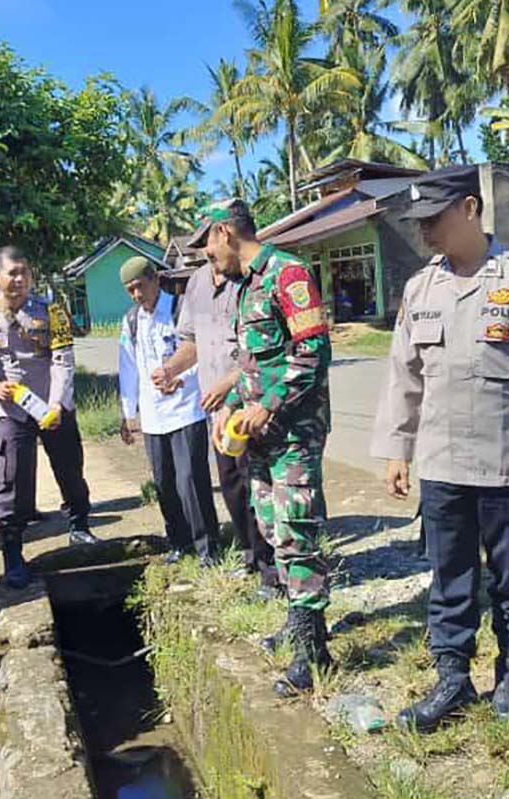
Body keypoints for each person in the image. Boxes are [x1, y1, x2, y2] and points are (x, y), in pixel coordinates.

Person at [370, 165, 509, 729]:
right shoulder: (421, 287)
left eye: (432, 219)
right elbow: (404, 375)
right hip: (442, 465)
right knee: (449, 575)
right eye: (417, 223)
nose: (423, 232)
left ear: (468, 208)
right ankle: (452, 677)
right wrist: (397, 450)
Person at [190, 198, 333, 697]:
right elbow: (253, 363)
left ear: (225, 232)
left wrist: (269, 405)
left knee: (297, 530)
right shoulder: (247, 287)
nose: (210, 258)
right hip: (259, 436)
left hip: (294, 431)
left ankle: (312, 650)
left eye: (208, 246)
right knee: (273, 528)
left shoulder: (287, 274)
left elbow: (313, 350)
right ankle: (300, 627)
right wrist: (230, 404)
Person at [0, 245, 97, 589]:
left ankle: (80, 527)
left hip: (54, 406)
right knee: (12, 482)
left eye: (25, 272)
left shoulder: (53, 311)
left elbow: (63, 360)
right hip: (11, 410)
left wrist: (56, 405)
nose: (20, 279)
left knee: (70, 469)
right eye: (13, 272)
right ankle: (13, 554)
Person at [155, 256, 280, 595]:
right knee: (231, 484)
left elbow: (259, 351)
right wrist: (171, 370)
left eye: (208, 242)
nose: (206, 251)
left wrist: (229, 389)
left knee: (259, 485)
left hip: (249, 401)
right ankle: (251, 554)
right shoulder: (196, 284)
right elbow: (192, 343)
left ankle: (274, 568)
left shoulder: (249, 281)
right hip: (217, 409)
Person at [117, 256, 219, 566]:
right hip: (153, 415)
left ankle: (207, 548)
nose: (137, 294)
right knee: (164, 482)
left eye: (141, 286)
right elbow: (128, 368)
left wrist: (180, 377)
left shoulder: (180, 309)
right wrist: (128, 413)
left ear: (156, 279)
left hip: (187, 408)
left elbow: (204, 351)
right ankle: (179, 542)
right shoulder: (132, 320)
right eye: (130, 290)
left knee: (191, 480)